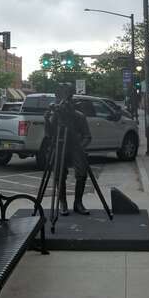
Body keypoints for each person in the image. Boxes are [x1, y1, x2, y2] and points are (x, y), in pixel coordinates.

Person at [44, 83, 92, 215]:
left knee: (82, 173)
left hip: (75, 146)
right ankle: (63, 203)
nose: (65, 104)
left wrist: (80, 148)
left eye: (68, 100)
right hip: (60, 146)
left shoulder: (79, 116)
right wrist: (47, 120)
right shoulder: (57, 116)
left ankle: (78, 203)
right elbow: (49, 134)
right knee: (59, 174)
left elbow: (87, 136)